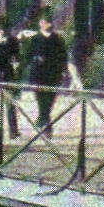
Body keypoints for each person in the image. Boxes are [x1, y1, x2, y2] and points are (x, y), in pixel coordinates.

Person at [21, 11, 71, 139]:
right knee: (41, 100)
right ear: (40, 24)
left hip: (53, 75)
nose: (48, 25)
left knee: (50, 101)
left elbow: (63, 56)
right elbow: (26, 56)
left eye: (49, 22)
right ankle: (47, 127)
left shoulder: (58, 39)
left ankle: (41, 119)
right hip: (38, 75)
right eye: (45, 22)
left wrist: (64, 71)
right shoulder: (34, 39)